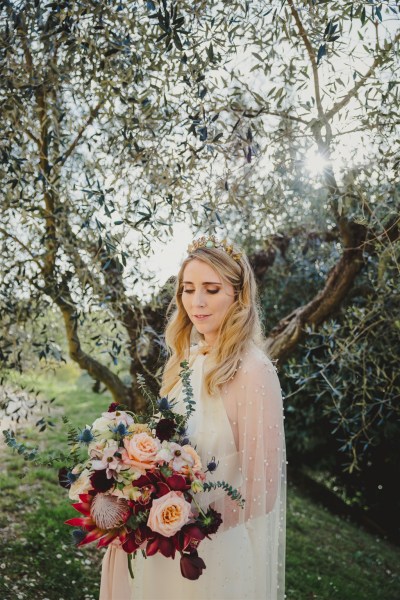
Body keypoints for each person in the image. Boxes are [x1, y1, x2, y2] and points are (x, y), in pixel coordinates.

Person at [100, 235, 286, 600]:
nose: (196, 302)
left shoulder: (252, 371)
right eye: (188, 289)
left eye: (211, 289)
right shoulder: (187, 361)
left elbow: (262, 492)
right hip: (159, 546)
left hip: (210, 557)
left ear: (238, 295)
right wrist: (131, 495)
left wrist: (181, 525)